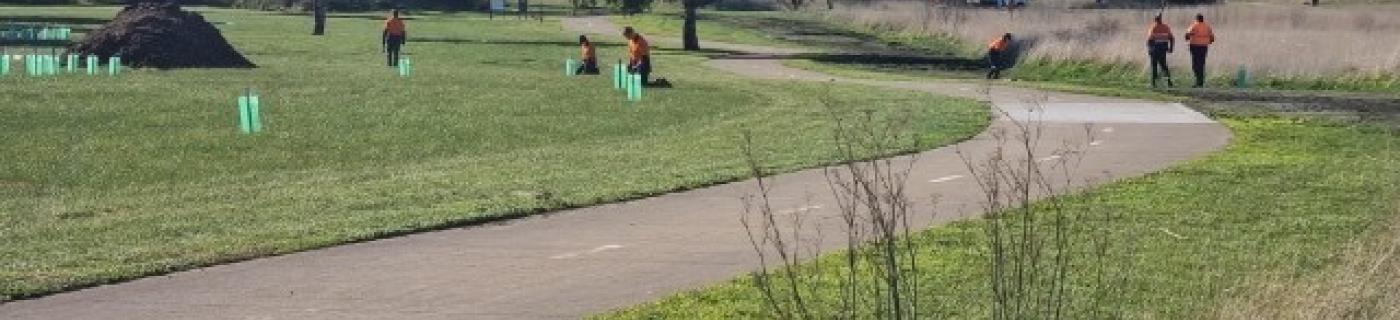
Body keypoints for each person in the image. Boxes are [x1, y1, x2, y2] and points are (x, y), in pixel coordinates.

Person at [1184, 14, 1215, 88]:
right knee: (1201, 64)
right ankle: (1201, 82)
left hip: (1195, 47)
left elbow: (1187, 35)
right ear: (1202, 19)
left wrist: (1188, 39)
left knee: (1195, 65)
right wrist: (1207, 42)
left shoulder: (1194, 26)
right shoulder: (1207, 27)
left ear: (1196, 19)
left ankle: (1197, 81)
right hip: (1204, 47)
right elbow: (1212, 38)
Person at [1146, 15, 1175, 88]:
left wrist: (1149, 49)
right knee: (1164, 66)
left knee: (1154, 66)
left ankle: (1153, 83)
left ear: (1155, 20)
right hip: (1163, 49)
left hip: (1155, 50)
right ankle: (1169, 82)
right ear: (1161, 20)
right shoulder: (1166, 27)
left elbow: (1150, 40)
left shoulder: (1153, 28)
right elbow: (1171, 38)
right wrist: (1171, 48)